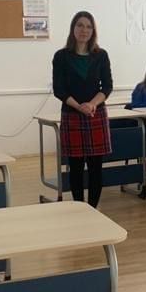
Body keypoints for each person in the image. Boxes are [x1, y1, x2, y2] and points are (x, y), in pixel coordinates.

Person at [51, 11, 114, 208]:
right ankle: (79, 208)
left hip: (95, 113)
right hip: (72, 113)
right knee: (76, 167)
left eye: (88, 26)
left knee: (96, 167)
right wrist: (79, 106)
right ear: (73, 28)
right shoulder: (61, 56)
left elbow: (107, 86)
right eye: (80, 25)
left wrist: (92, 104)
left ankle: (93, 208)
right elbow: (59, 89)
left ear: (93, 31)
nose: (84, 30)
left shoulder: (101, 55)